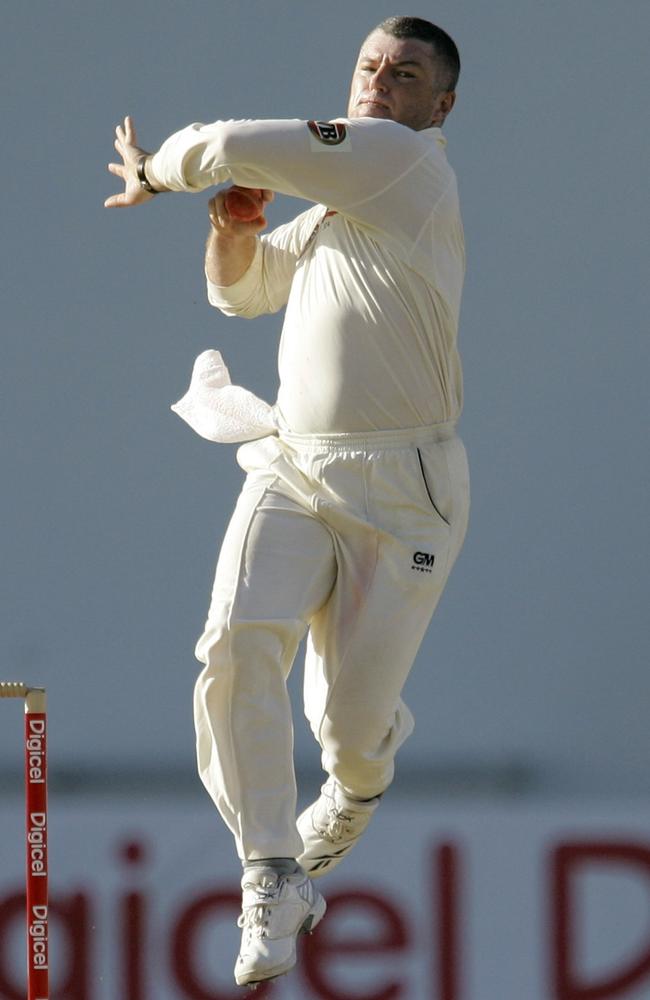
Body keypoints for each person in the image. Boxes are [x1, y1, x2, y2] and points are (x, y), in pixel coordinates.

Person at [106, 15, 469, 989]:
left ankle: (358, 780)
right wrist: (229, 233)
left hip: (405, 496)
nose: (376, 83)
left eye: (403, 75)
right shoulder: (336, 208)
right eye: (367, 67)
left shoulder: (400, 165)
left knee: (346, 730)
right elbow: (244, 292)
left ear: (439, 107)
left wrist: (161, 170)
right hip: (296, 468)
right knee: (233, 642)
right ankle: (270, 868)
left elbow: (225, 145)